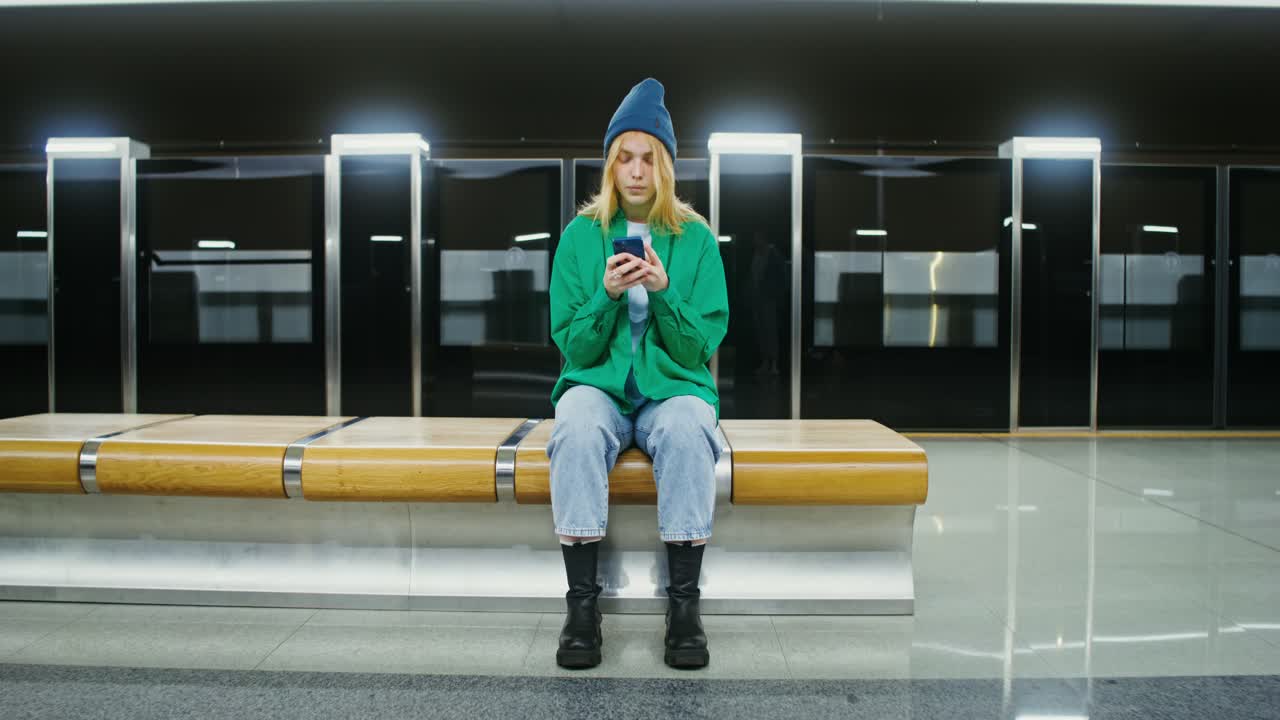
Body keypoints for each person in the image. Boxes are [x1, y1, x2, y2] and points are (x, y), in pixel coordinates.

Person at [546, 78, 729, 670]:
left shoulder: (696, 240)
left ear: (666, 166)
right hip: (598, 389)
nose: (636, 170)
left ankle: (683, 608)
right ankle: (581, 607)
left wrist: (664, 291)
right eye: (624, 157)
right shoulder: (580, 238)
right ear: (609, 166)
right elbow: (571, 346)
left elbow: (701, 346)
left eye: (648, 157)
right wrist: (605, 296)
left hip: (672, 389)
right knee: (573, 424)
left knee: (685, 429)